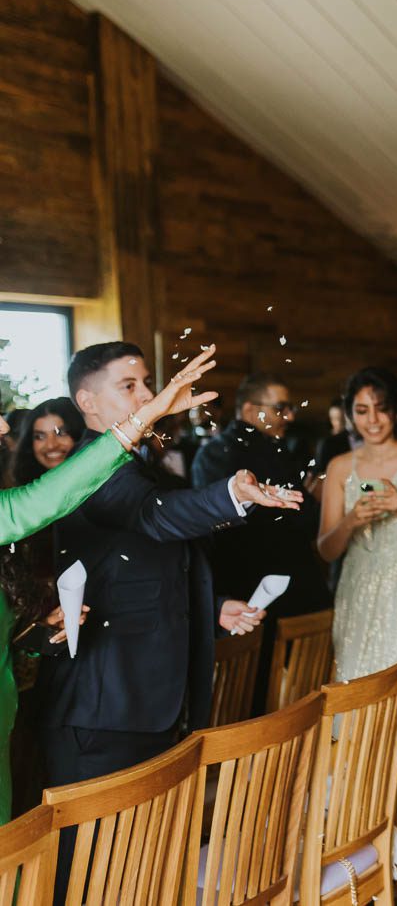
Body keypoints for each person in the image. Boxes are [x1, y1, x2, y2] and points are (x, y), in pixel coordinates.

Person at [39, 342, 299, 789]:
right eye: (128, 385)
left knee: (149, 854)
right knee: (94, 856)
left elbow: (139, 568)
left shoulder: (141, 465)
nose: (146, 395)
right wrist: (231, 494)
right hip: (105, 709)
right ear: (88, 402)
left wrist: (211, 607)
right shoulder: (87, 468)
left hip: (151, 703)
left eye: (146, 384)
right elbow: (155, 515)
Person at [0, 349, 221, 824]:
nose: (3, 427)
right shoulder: (22, 504)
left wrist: (38, 624)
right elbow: (49, 499)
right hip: (91, 705)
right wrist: (152, 412)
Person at [191, 373, 331, 713]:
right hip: (273, 587)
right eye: (281, 407)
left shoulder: (211, 453)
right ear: (252, 410)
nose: (290, 416)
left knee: (253, 695)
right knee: (290, 694)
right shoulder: (265, 452)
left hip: (242, 588)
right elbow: (307, 518)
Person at [317, 368, 397, 681]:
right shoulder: (338, 467)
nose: (372, 420)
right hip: (357, 586)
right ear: (350, 415)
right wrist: (351, 521)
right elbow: (326, 551)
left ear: (396, 411)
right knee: (352, 679)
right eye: (362, 411)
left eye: (381, 408)